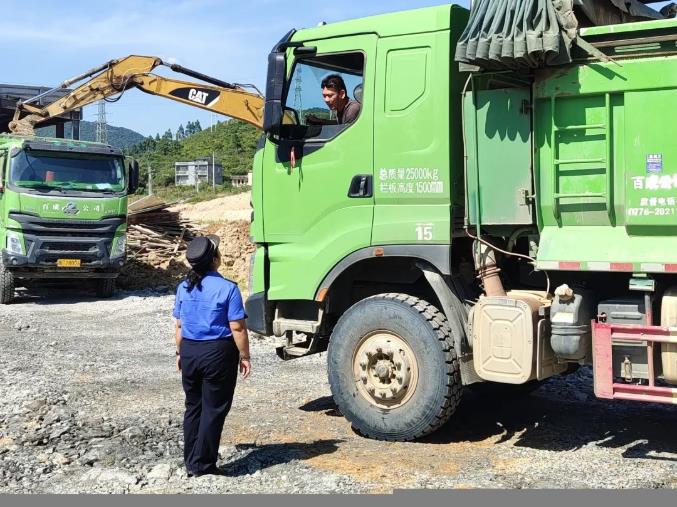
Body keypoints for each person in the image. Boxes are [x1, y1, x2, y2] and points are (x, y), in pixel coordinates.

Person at [173, 234, 251, 477]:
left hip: (189, 351)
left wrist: (179, 352)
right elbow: (237, 327)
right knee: (214, 408)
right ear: (215, 260)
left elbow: (179, 325)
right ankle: (203, 465)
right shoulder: (228, 288)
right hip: (217, 353)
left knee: (193, 406)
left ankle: (191, 461)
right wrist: (245, 356)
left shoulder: (183, 287)